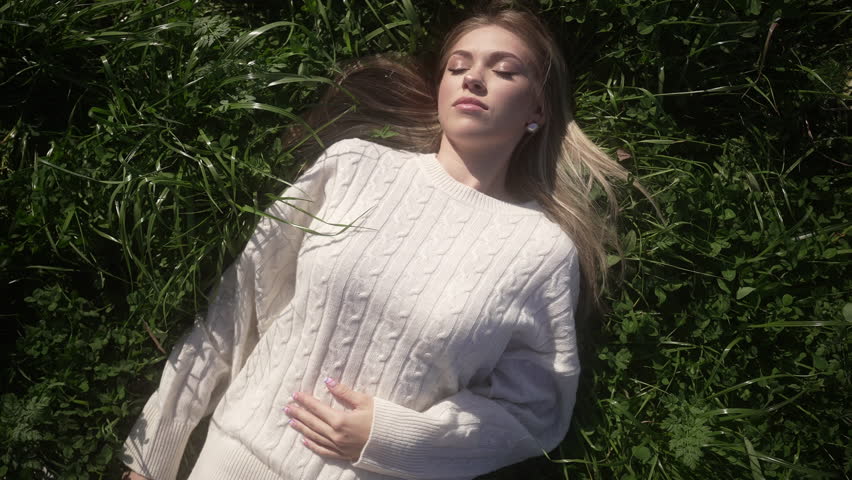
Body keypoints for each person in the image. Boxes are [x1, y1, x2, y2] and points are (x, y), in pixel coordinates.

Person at [122, 1, 635, 479]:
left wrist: (396, 437)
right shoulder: (351, 167)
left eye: (504, 71)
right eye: (458, 66)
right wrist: (153, 453)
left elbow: (534, 413)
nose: (474, 78)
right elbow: (239, 304)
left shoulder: (541, 252)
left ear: (538, 111)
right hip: (232, 461)